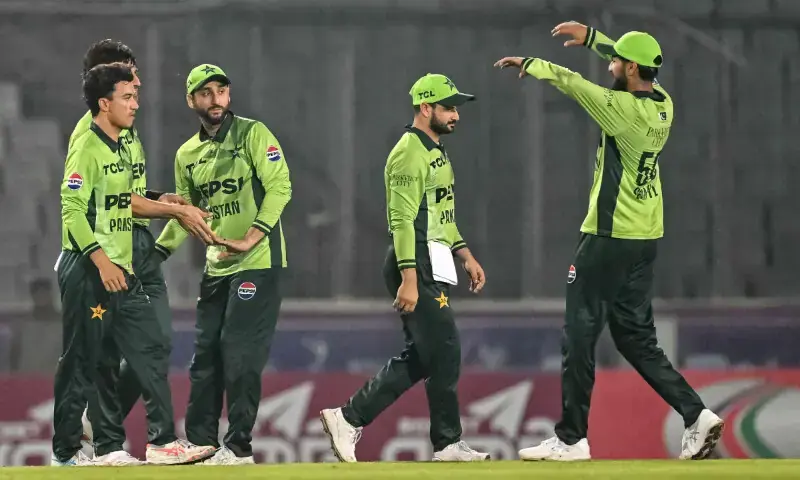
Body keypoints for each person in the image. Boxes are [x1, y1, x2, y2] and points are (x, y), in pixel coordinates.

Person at [495, 21, 724, 462]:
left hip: (608, 237)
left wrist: (532, 64)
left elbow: (575, 83)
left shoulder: (620, 109)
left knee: (578, 334)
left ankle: (570, 438)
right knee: (636, 340)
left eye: (617, 60)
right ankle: (696, 415)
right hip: (644, 237)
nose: (611, 64)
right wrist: (596, 39)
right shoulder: (663, 103)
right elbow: (625, 67)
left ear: (631, 67)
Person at [52, 63, 217, 467]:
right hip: (90, 265)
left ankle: (154, 442)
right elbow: (72, 210)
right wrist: (100, 259)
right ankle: (67, 452)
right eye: (128, 96)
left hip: (123, 263)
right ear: (104, 103)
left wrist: (166, 201)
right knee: (86, 360)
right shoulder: (86, 147)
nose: (136, 103)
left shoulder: (127, 142)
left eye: (136, 96)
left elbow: (127, 197)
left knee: (145, 346)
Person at [320, 73, 489, 463]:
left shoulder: (435, 149)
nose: (456, 115)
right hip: (413, 260)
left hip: (431, 257)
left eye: (456, 107)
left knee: (431, 352)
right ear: (425, 108)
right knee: (443, 348)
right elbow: (401, 219)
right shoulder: (408, 152)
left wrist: (465, 254)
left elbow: (440, 214)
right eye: (449, 107)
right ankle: (360, 420)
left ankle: (354, 419)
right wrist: (409, 277)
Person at [155, 64, 292, 465]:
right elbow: (188, 215)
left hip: (258, 262)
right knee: (205, 357)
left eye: (221, 90)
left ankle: (238, 448)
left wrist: (252, 235)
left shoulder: (254, 134)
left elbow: (281, 185)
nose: (215, 99)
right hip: (216, 267)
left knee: (239, 351)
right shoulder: (187, 154)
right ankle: (200, 446)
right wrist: (156, 255)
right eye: (205, 92)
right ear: (191, 100)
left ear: (229, 96)